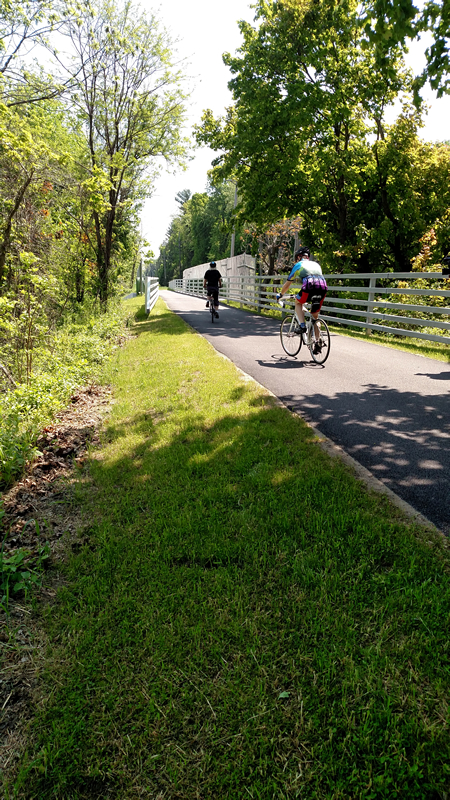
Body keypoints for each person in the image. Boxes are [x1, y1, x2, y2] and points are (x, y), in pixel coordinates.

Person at [277, 246, 328, 354]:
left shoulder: (298, 265)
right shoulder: (316, 264)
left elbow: (287, 284)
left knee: (297, 302)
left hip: (310, 285)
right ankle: (318, 341)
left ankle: (302, 326)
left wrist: (280, 294)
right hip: (323, 287)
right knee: (315, 317)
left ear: (299, 257)